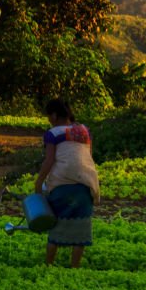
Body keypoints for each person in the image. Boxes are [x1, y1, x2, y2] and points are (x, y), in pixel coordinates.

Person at [34, 98, 100, 268]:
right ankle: (74, 268)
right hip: (85, 184)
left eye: (49, 116)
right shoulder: (84, 131)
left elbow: (49, 161)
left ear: (54, 116)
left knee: (56, 227)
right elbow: (87, 156)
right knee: (81, 231)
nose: (49, 120)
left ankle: (48, 265)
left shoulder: (52, 134)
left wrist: (39, 181)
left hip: (61, 186)